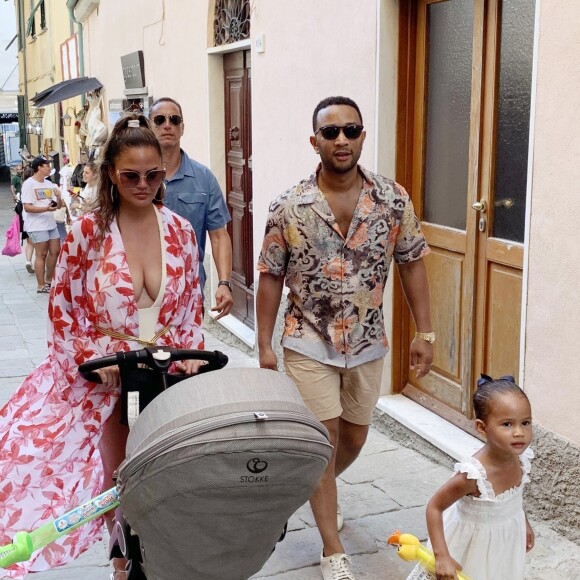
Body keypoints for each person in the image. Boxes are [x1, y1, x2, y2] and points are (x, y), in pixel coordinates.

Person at [0, 114, 205, 580]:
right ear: (112, 172)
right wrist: (91, 356)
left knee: (164, 474)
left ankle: (160, 554)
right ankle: (122, 560)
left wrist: (191, 351)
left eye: (154, 175)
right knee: (120, 478)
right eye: (131, 175)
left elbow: (191, 305)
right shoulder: (87, 233)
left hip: (165, 372)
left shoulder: (179, 231)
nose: (143, 184)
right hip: (106, 375)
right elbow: (64, 310)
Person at [256, 96, 434, 580]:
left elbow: (412, 262)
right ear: (313, 140)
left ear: (361, 136)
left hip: (367, 341)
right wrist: (265, 344)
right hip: (307, 338)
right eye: (330, 132)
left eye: (350, 130)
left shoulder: (393, 199)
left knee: (353, 438)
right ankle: (332, 547)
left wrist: (426, 330)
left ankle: (313, 495)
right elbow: (270, 274)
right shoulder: (289, 205)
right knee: (324, 437)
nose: (341, 140)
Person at [407, 376, 534, 580]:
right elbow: (434, 507)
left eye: (525, 423)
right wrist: (442, 556)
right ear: (482, 428)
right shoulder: (474, 475)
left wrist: (524, 523)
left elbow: (514, 498)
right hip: (468, 550)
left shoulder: (521, 460)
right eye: (507, 424)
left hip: (503, 548)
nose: (519, 433)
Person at [149, 97, 234, 319]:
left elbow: (219, 235)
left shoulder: (203, 178)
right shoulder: (137, 178)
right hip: (141, 289)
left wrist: (224, 283)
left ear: (182, 128)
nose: (167, 125)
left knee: (189, 353)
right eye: (160, 120)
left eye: (174, 120)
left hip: (189, 291)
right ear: (150, 126)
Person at [20, 157, 63, 293]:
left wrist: (59, 197)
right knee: (42, 254)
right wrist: (45, 209)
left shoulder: (49, 184)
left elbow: (57, 206)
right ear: (39, 167)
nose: (50, 168)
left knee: (55, 251)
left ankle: (49, 281)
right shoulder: (29, 184)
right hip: (36, 225)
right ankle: (41, 285)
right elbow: (27, 207)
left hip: (50, 223)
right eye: (47, 165)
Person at [10, 165, 34, 273]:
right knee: (38, 243)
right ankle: (40, 264)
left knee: (29, 242)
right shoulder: (33, 187)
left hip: (24, 219)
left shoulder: (23, 188)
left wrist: (15, 196)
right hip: (35, 220)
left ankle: (28, 261)